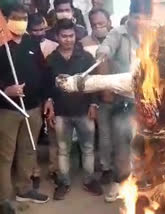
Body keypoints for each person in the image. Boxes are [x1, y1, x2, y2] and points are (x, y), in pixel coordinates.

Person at [96, 0, 151, 202]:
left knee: (147, 145)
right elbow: (103, 52)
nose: (140, 21)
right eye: (136, 16)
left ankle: (144, 182)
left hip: (149, 101)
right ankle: (120, 182)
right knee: (121, 144)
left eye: (144, 17)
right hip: (124, 101)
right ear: (129, 15)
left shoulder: (156, 36)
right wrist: (106, 86)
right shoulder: (118, 33)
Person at [0, 3, 52, 206]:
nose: (20, 22)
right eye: (16, 18)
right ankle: (4, 198)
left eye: (24, 18)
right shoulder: (1, 43)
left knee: (28, 150)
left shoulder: (31, 42)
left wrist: (47, 98)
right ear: (5, 19)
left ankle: (24, 189)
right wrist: (6, 91)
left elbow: (44, 71)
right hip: (7, 110)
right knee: (5, 155)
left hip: (32, 108)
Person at [46, 19, 102, 200]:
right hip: (61, 113)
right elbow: (46, 87)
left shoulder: (86, 58)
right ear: (57, 37)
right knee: (63, 150)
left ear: (75, 36)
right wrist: (49, 104)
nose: (68, 39)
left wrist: (94, 105)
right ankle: (64, 182)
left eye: (71, 35)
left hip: (84, 111)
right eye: (64, 36)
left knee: (88, 148)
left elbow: (94, 84)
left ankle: (89, 180)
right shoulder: (51, 59)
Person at [80, 8, 113, 185]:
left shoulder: (119, 39)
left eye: (102, 23)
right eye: (94, 25)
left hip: (121, 97)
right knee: (104, 136)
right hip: (98, 99)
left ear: (109, 21)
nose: (99, 27)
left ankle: (124, 168)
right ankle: (106, 168)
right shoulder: (84, 43)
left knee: (124, 134)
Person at [27, 12, 59, 188]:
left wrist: (50, 98)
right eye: (35, 30)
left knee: (54, 136)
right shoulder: (26, 46)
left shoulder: (54, 46)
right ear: (29, 30)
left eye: (42, 29)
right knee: (32, 138)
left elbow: (51, 75)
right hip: (33, 99)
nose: (39, 33)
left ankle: (54, 170)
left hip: (50, 97)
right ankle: (34, 172)